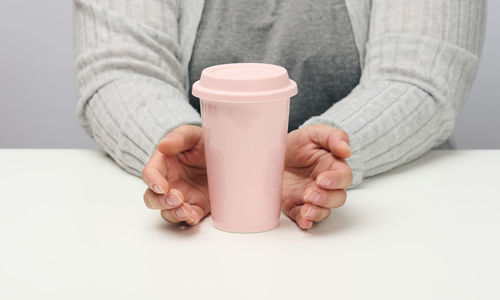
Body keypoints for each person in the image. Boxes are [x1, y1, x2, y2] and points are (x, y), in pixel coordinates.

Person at [73, 0, 486, 229]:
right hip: (200, 222)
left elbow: (421, 74)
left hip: (386, 215)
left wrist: (337, 144)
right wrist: (178, 143)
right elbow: (122, 68)